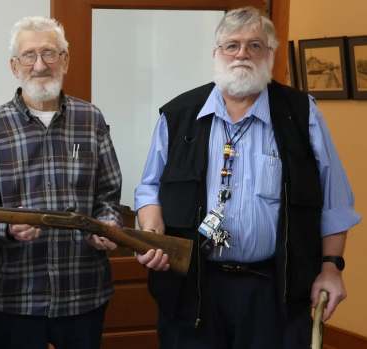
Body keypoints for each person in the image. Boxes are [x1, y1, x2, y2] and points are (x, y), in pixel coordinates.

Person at [134, 7, 361, 349]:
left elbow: (335, 199)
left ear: (270, 54)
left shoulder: (302, 114)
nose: (242, 54)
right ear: (216, 53)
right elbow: (149, 187)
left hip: (275, 292)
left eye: (255, 45)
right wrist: (152, 234)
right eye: (232, 45)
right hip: (194, 289)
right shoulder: (178, 115)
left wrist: (331, 268)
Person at [0, 16, 122, 349]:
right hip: (15, 297)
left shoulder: (91, 119)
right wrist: (8, 229)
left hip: (84, 294)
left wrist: (107, 223)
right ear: (13, 65)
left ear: (65, 60)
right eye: (29, 55)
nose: (40, 65)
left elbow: (108, 192)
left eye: (50, 53)